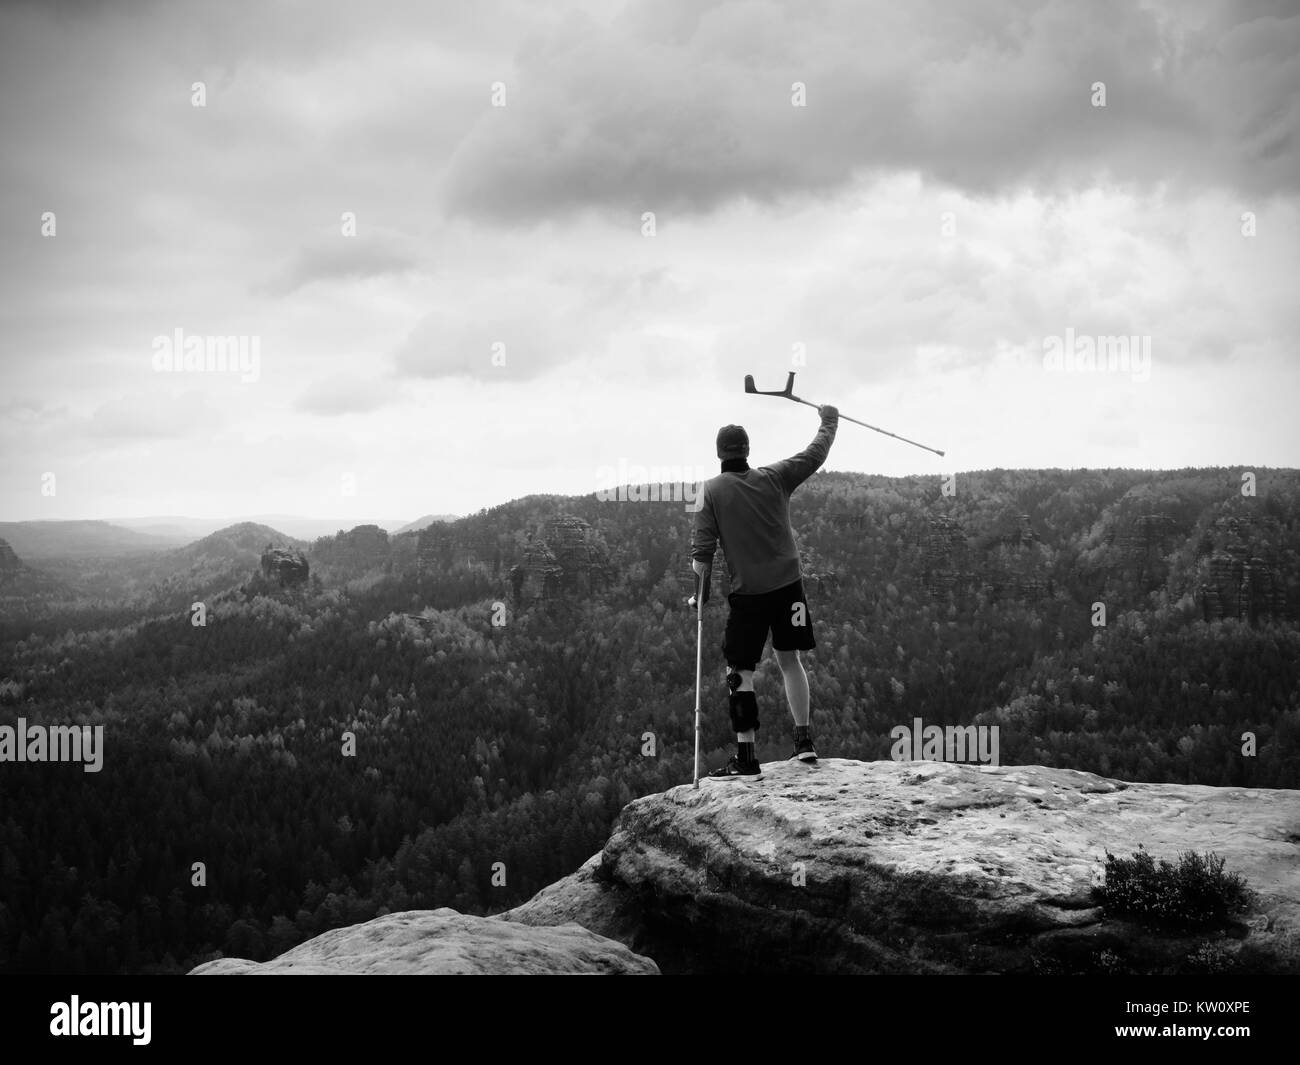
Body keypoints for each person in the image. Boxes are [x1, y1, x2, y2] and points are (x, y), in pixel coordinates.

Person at [690, 403, 838, 779]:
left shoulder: (710, 492)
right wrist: (829, 420)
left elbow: (701, 560)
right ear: (748, 449)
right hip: (789, 586)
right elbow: (814, 454)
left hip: (750, 595)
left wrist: (700, 599)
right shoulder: (776, 477)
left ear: (720, 453)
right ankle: (804, 743)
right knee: (790, 660)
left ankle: (747, 757)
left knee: (740, 671)